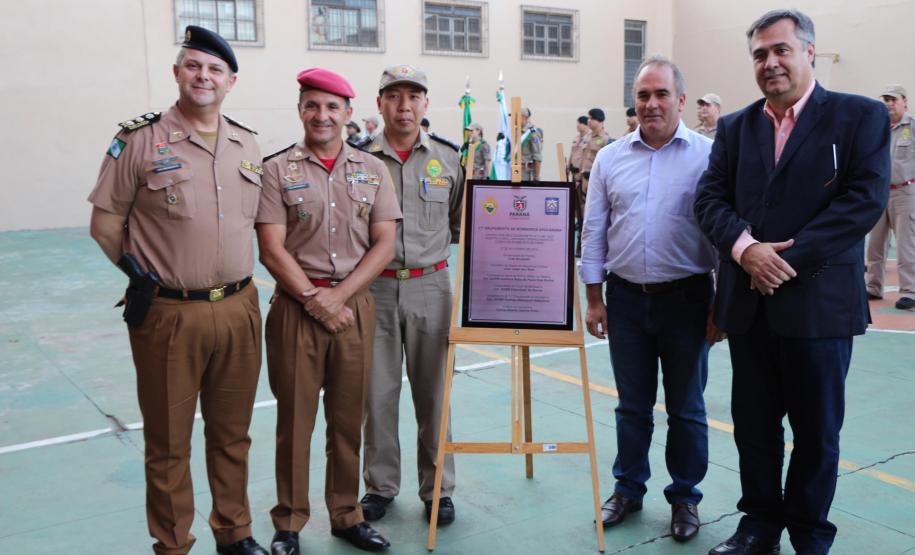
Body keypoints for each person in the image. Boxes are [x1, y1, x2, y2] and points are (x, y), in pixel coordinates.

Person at [694, 9, 890, 555]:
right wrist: (745, 249)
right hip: (750, 311)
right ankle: (758, 525)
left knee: (816, 432)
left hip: (820, 308)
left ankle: (808, 533)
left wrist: (781, 260)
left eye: (781, 50)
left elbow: (863, 200)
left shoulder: (859, 117)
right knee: (754, 429)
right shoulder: (736, 127)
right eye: (760, 54)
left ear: (809, 52)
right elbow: (709, 199)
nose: (771, 62)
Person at [88, 26, 269, 555]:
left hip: (238, 307)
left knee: (232, 434)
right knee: (168, 442)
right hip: (168, 315)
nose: (203, 76)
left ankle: (234, 534)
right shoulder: (139, 141)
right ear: (177, 73)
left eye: (215, 69)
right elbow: (105, 224)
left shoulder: (246, 142)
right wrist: (138, 275)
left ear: (231, 81)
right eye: (193, 66)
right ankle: (173, 544)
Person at [256, 68, 402, 554]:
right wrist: (317, 301)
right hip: (298, 310)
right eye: (312, 105)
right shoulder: (277, 169)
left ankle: (346, 515)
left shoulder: (373, 169)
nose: (322, 115)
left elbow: (385, 244)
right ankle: (290, 522)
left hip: (355, 306)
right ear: (301, 110)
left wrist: (340, 298)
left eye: (332, 107)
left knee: (346, 421)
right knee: (294, 423)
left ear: (346, 114)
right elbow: (271, 248)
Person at [581, 55, 719, 546]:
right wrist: (594, 299)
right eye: (643, 96)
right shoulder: (610, 158)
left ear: (681, 100)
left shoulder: (708, 156)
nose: (652, 104)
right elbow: (594, 230)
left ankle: (685, 496)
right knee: (632, 405)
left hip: (688, 299)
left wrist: (720, 305)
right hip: (625, 301)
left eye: (662, 94)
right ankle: (628, 487)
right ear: (634, 103)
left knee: (686, 407)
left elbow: (725, 232)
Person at [360, 64, 464, 527]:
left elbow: (459, 223)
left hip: (431, 286)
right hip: (374, 289)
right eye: (394, 96)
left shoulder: (449, 159)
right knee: (376, 394)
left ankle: (437, 488)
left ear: (425, 104)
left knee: (434, 393)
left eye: (414, 96)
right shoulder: (359, 159)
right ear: (380, 103)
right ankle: (380, 486)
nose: (404, 106)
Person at [865, 84, 915, 310]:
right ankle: (874, 287)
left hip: (905, 193)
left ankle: (909, 291)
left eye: (893, 99)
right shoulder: (877, 128)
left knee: (907, 245)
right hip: (879, 192)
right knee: (875, 244)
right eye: (885, 99)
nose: (888, 103)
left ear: (904, 101)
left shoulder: (912, 128)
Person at [579, 108, 613, 255]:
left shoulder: (605, 139)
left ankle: (596, 249)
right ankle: (581, 246)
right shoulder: (587, 137)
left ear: (599, 120)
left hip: (594, 181)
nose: (589, 121)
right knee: (580, 215)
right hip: (582, 180)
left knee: (593, 214)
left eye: (591, 118)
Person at [569, 115, 590, 256]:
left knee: (584, 213)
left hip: (584, 179)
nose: (578, 126)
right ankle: (578, 244)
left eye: (580, 123)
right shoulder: (578, 138)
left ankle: (582, 245)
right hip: (574, 177)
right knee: (576, 211)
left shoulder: (589, 139)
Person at [519, 107, 543, 180]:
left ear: (524, 117)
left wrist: (536, 177)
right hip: (514, 172)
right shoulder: (516, 132)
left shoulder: (532, 133)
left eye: (516, 116)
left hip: (526, 173)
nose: (513, 119)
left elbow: (537, 156)